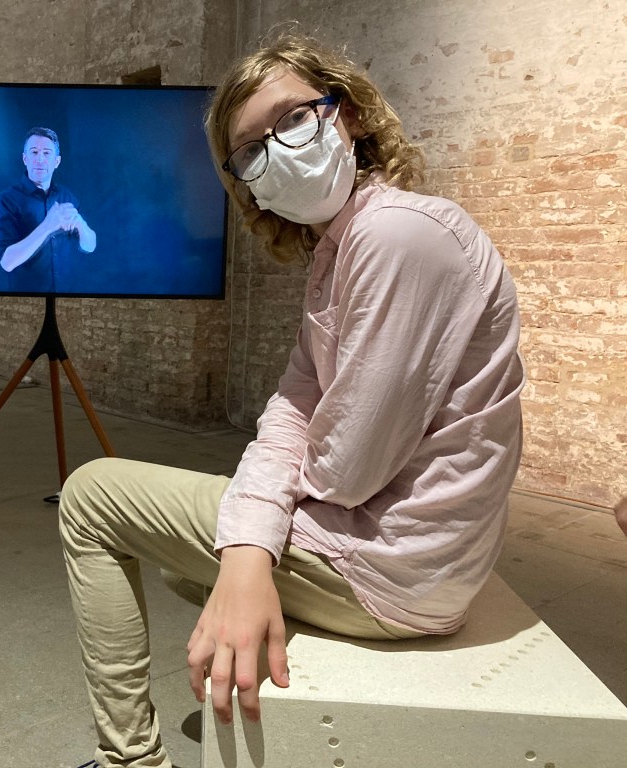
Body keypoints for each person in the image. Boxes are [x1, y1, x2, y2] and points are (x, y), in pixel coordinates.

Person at [58, 29, 525, 768]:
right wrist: (250, 543)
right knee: (195, 558)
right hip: (402, 552)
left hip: (395, 566)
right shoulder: (341, 247)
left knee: (91, 497)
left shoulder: (395, 236)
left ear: (349, 115)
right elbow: (291, 408)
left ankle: (129, 762)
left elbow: (345, 467)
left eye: (293, 118)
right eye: (249, 150)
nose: (275, 152)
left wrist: (254, 529)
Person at [0, 127, 96, 293]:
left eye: (47, 153)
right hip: (28, 300)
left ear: (57, 162)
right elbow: (7, 262)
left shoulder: (67, 196)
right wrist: (47, 226)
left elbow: (90, 246)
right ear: (25, 158)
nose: (40, 159)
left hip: (68, 298)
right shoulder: (6, 200)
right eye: (34, 152)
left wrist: (80, 224)